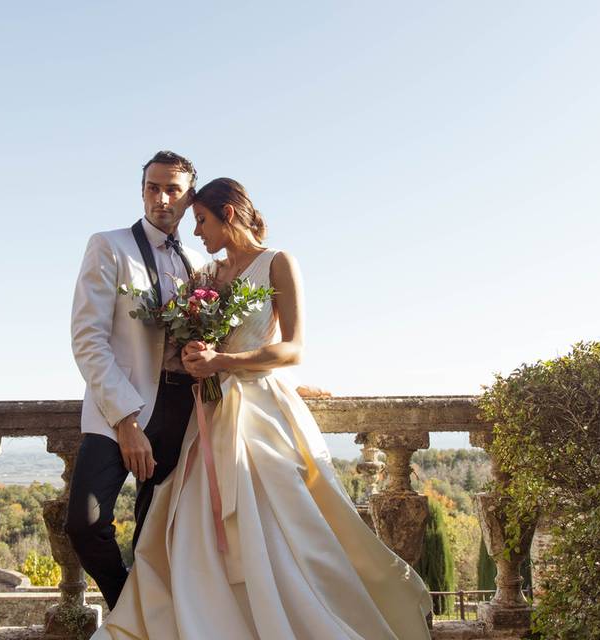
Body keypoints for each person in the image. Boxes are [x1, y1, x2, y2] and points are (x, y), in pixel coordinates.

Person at [92, 178, 433, 639]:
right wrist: (196, 357)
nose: (197, 233)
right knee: (193, 529)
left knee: (281, 525)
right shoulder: (207, 277)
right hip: (209, 416)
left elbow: (292, 348)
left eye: (202, 221)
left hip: (260, 415)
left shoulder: (278, 263)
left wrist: (224, 361)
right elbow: (184, 345)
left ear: (228, 214)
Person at [66, 150, 204, 610]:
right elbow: (87, 339)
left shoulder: (200, 261)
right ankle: (129, 611)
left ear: (189, 199)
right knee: (85, 525)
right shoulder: (109, 245)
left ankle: (149, 625)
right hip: (121, 407)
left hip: (185, 409)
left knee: (156, 534)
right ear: (142, 190)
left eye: (173, 189)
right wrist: (126, 420)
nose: (161, 198)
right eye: (152, 187)